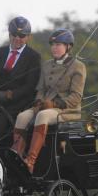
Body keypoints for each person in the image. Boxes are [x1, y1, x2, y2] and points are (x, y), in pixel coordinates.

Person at [11, 28, 86, 173]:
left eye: (58, 45)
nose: (54, 48)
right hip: (44, 106)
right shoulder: (46, 65)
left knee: (42, 116)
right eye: (53, 45)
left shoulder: (78, 66)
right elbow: (41, 90)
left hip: (67, 110)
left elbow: (76, 97)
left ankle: (30, 161)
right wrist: (39, 102)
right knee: (22, 116)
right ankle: (17, 156)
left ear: (68, 47)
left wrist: (54, 104)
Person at [0, 16, 41, 148]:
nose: (17, 38)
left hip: (17, 104)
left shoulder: (33, 57)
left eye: (22, 36)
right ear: (9, 34)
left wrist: (9, 94)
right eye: (14, 34)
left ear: (28, 37)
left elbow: (30, 87)